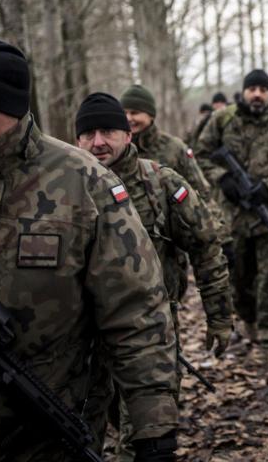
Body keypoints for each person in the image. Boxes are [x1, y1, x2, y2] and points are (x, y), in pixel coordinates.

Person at [0, 39, 178, 462]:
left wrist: (154, 431)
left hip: (42, 439)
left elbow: (137, 312)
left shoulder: (83, 184)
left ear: (16, 109)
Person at [74, 93, 233, 459]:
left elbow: (206, 245)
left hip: (150, 333)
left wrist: (220, 315)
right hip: (79, 340)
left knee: (143, 443)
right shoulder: (60, 188)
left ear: (128, 135)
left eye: (108, 131)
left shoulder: (159, 182)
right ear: (76, 140)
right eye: (88, 134)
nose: (98, 142)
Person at [194, 69, 268, 369]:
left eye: (263, 89)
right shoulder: (223, 119)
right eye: (252, 88)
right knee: (239, 277)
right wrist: (223, 178)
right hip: (234, 216)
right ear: (244, 91)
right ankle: (251, 324)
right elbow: (201, 154)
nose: (257, 94)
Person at [120, 84, 210, 196]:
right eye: (124, 113)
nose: (128, 118)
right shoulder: (116, 148)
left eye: (134, 113)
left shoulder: (174, 148)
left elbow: (201, 191)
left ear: (151, 115)